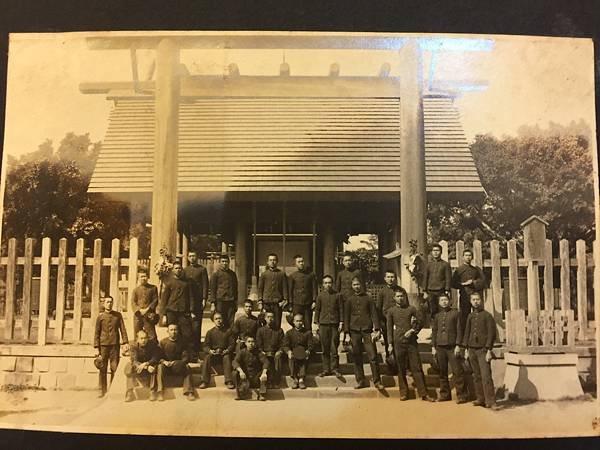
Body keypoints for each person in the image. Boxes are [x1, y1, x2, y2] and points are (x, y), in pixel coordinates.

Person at [386, 287, 436, 402]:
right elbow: (389, 329)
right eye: (398, 296)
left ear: (405, 297)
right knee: (401, 368)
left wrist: (413, 330)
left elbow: (421, 320)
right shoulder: (391, 311)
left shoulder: (411, 309)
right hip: (398, 342)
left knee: (417, 367)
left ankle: (424, 393)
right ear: (394, 298)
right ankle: (403, 393)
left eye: (402, 296)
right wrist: (389, 344)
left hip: (411, 342)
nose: (400, 298)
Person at [343, 277, 384, 390]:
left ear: (362, 285)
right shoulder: (349, 300)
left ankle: (377, 381)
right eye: (355, 284)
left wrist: (377, 329)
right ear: (352, 286)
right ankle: (360, 380)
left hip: (367, 330)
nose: (357, 286)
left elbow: (374, 314)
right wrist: (346, 333)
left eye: (358, 284)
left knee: (373, 356)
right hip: (354, 330)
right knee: (357, 356)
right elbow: (346, 317)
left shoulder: (368, 298)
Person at [461, 292, 499, 410]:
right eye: (473, 300)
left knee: (486, 376)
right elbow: (467, 332)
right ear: (471, 302)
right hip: (472, 349)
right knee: (476, 376)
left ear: (481, 301)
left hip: (483, 350)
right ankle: (481, 398)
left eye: (478, 299)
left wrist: (488, 350)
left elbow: (491, 334)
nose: (476, 301)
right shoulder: (470, 316)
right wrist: (466, 349)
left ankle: (491, 401)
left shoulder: (487, 316)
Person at [431, 293, 468, 403]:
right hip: (440, 346)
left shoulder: (455, 313)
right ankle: (445, 394)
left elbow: (459, 330)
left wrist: (458, 345)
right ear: (439, 302)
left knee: (457, 371)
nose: (444, 302)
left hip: (452, 347)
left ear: (450, 301)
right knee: (442, 372)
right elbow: (434, 332)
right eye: (442, 300)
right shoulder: (437, 316)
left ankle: (462, 395)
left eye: (446, 300)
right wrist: (433, 346)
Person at [94, 296, 129, 398]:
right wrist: (96, 347)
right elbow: (96, 333)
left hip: (114, 345)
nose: (109, 304)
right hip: (103, 345)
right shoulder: (100, 317)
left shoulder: (117, 316)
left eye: (111, 302)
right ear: (104, 304)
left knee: (114, 367)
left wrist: (125, 342)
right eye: (107, 302)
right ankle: (101, 390)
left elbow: (123, 329)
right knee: (102, 368)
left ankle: (113, 389)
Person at [313, 274, 343, 377]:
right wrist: (316, 323)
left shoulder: (338, 295)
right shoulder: (320, 296)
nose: (328, 285)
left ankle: (335, 369)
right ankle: (326, 369)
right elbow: (317, 310)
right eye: (326, 283)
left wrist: (341, 322)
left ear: (332, 283)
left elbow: (340, 309)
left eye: (329, 282)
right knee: (325, 348)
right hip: (323, 324)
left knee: (334, 347)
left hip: (334, 324)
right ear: (323, 284)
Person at [158, 261, 194, 345]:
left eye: (180, 268)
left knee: (187, 333)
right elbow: (164, 300)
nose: (178, 270)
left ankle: (187, 353)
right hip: (171, 311)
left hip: (183, 312)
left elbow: (191, 297)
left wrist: (191, 311)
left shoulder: (186, 283)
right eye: (176, 268)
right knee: (173, 333)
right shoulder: (169, 283)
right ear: (173, 270)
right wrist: (163, 315)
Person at [158, 323, 196, 401]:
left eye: (175, 330)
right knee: (159, 367)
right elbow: (158, 356)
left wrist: (176, 362)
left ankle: (189, 391)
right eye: (171, 330)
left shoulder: (182, 342)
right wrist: (164, 361)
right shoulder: (163, 342)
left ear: (178, 331)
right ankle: (160, 392)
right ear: (167, 331)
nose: (173, 332)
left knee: (187, 367)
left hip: (177, 366)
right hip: (166, 367)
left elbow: (185, 357)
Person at [451, 248, 486, 335]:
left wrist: (473, 282)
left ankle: (477, 334)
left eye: (470, 255)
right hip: (464, 295)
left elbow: (483, 281)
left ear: (472, 257)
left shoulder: (476, 270)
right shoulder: (459, 270)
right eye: (466, 255)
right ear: (463, 257)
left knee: (477, 315)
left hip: (475, 296)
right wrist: (463, 284)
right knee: (464, 316)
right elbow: (453, 283)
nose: (468, 257)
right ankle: (464, 337)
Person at [336, 252, 364, 350]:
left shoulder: (357, 272)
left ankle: (355, 343)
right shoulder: (340, 274)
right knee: (344, 321)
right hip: (343, 301)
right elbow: (337, 288)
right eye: (346, 261)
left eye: (349, 260)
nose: (348, 262)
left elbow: (362, 287)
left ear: (352, 261)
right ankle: (345, 342)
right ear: (342, 262)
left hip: (354, 301)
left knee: (354, 321)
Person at [200, 312, 235, 390]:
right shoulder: (210, 332)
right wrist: (210, 351)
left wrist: (227, 350)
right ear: (213, 321)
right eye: (216, 319)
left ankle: (229, 381)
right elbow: (205, 346)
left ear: (222, 319)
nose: (218, 320)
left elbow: (232, 344)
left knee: (227, 357)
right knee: (207, 357)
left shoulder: (228, 331)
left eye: (220, 318)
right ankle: (204, 381)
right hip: (214, 355)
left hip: (224, 354)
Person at [183, 250, 209, 357]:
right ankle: (188, 349)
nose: (192, 258)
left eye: (194, 256)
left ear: (197, 257)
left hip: (198, 300)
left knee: (197, 326)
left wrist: (204, 299)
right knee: (187, 325)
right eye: (190, 256)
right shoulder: (185, 270)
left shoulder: (202, 269)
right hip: (187, 301)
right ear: (188, 258)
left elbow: (205, 285)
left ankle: (197, 349)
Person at [124, 330, 161, 402]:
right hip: (138, 368)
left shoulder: (152, 345)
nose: (143, 340)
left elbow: (155, 357)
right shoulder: (133, 347)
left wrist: (147, 364)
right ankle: (129, 392)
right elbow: (134, 361)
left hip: (149, 367)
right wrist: (145, 366)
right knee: (129, 367)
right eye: (141, 338)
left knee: (155, 366)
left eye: (145, 338)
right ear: (137, 339)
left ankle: (152, 391)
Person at [233, 335, 269, 401]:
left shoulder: (258, 352)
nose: (251, 343)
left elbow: (266, 362)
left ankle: (262, 394)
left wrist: (264, 373)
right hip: (245, 377)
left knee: (265, 373)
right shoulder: (242, 352)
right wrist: (241, 371)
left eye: (252, 341)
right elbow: (235, 362)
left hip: (256, 377)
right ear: (245, 343)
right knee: (235, 373)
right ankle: (239, 394)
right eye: (249, 342)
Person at [283, 313, 314, 389]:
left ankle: (301, 379)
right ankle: (295, 379)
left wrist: (308, 351)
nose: (299, 323)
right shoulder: (289, 333)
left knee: (304, 358)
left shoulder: (307, 333)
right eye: (297, 321)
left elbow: (311, 345)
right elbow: (285, 345)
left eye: (300, 321)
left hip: (304, 352)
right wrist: (288, 351)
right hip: (294, 351)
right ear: (293, 322)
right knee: (291, 358)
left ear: (303, 322)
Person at [421, 243, 452, 320]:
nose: (435, 252)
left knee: (442, 308)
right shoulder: (428, 265)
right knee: (432, 309)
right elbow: (425, 278)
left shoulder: (445, 264)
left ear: (441, 252)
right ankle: (434, 327)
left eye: (437, 250)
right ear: (431, 252)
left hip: (441, 290)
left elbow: (448, 278)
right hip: (430, 291)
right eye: (434, 250)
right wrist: (424, 291)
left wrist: (447, 289)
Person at [258, 253, 288, 329]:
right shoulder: (264, 274)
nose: (272, 262)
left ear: (277, 261)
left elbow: (285, 288)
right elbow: (260, 288)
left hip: (277, 303)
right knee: (265, 323)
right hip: (266, 303)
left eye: (274, 260)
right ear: (267, 262)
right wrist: (260, 301)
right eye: (270, 260)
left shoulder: (282, 274)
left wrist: (285, 300)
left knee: (277, 324)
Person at [288, 255, 318, 329]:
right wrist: (290, 304)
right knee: (296, 324)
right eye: (299, 262)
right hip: (296, 304)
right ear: (295, 264)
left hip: (308, 303)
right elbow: (290, 290)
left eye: (302, 261)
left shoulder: (311, 275)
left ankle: (308, 339)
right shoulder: (292, 276)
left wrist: (314, 301)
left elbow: (314, 288)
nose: (301, 263)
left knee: (308, 324)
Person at [256, 311, 285, 388]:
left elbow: (283, 343)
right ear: (265, 318)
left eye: (272, 317)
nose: (270, 319)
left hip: (275, 352)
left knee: (278, 358)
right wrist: (261, 351)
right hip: (264, 352)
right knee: (265, 359)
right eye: (268, 317)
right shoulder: (260, 330)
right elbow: (259, 344)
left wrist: (280, 351)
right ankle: (268, 381)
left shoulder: (279, 330)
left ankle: (276, 382)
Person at [209, 254, 238, 329]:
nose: (225, 263)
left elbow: (235, 289)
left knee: (231, 321)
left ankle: (230, 338)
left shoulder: (232, 274)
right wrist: (213, 303)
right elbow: (212, 289)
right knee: (220, 320)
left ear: (229, 262)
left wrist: (236, 301)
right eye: (223, 261)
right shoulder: (215, 275)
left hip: (231, 300)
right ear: (219, 262)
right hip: (220, 301)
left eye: (226, 261)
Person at [376, 270, 398, 364]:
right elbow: (378, 308)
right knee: (388, 342)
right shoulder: (382, 292)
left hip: (398, 322)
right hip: (386, 321)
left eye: (392, 277)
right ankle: (390, 364)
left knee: (399, 343)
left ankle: (402, 366)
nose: (390, 279)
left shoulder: (400, 290)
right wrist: (380, 323)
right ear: (385, 279)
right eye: (388, 277)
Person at [130, 271, 159, 343]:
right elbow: (133, 302)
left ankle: (153, 351)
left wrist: (148, 309)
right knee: (137, 334)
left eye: (145, 276)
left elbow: (155, 300)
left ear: (148, 277)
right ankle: (138, 350)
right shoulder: (136, 290)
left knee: (151, 334)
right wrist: (139, 310)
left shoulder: (153, 288)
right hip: (138, 315)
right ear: (138, 278)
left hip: (149, 315)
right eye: (141, 277)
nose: (143, 278)